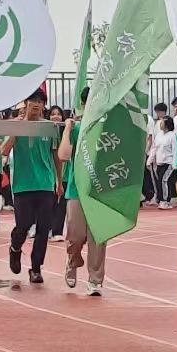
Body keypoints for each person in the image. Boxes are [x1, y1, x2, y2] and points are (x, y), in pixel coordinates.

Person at [1, 89, 62, 284]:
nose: (36, 104)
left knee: (44, 228)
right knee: (24, 224)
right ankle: (15, 248)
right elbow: (4, 150)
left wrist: (59, 181)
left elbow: (56, 155)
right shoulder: (17, 125)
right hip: (23, 185)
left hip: (45, 183)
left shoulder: (49, 128)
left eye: (40, 101)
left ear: (44, 105)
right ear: (26, 103)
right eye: (32, 100)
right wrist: (16, 130)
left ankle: (36, 268)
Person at [59, 88, 107, 295]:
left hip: (101, 191)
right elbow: (63, 155)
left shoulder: (108, 129)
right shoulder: (76, 128)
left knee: (98, 237)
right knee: (76, 235)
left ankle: (95, 280)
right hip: (77, 189)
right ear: (84, 104)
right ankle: (72, 261)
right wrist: (68, 129)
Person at [47, 105, 68, 241]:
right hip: (49, 173)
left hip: (64, 173)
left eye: (58, 114)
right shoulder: (45, 132)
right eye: (53, 114)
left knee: (61, 203)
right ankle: (46, 228)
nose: (56, 116)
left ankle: (57, 231)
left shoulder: (67, 132)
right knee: (49, 203)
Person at [148, 115, 177, 209]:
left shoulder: (172, 135)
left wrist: (174, 163)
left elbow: (175, 150)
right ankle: (160, 199)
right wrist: (150, 160)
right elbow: (154, 148)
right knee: (158, 181)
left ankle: (165, 200)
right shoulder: (159, 135)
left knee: (163, 180)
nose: (161, 124)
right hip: (159, 162)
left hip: (168, 162)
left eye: (163, 123)